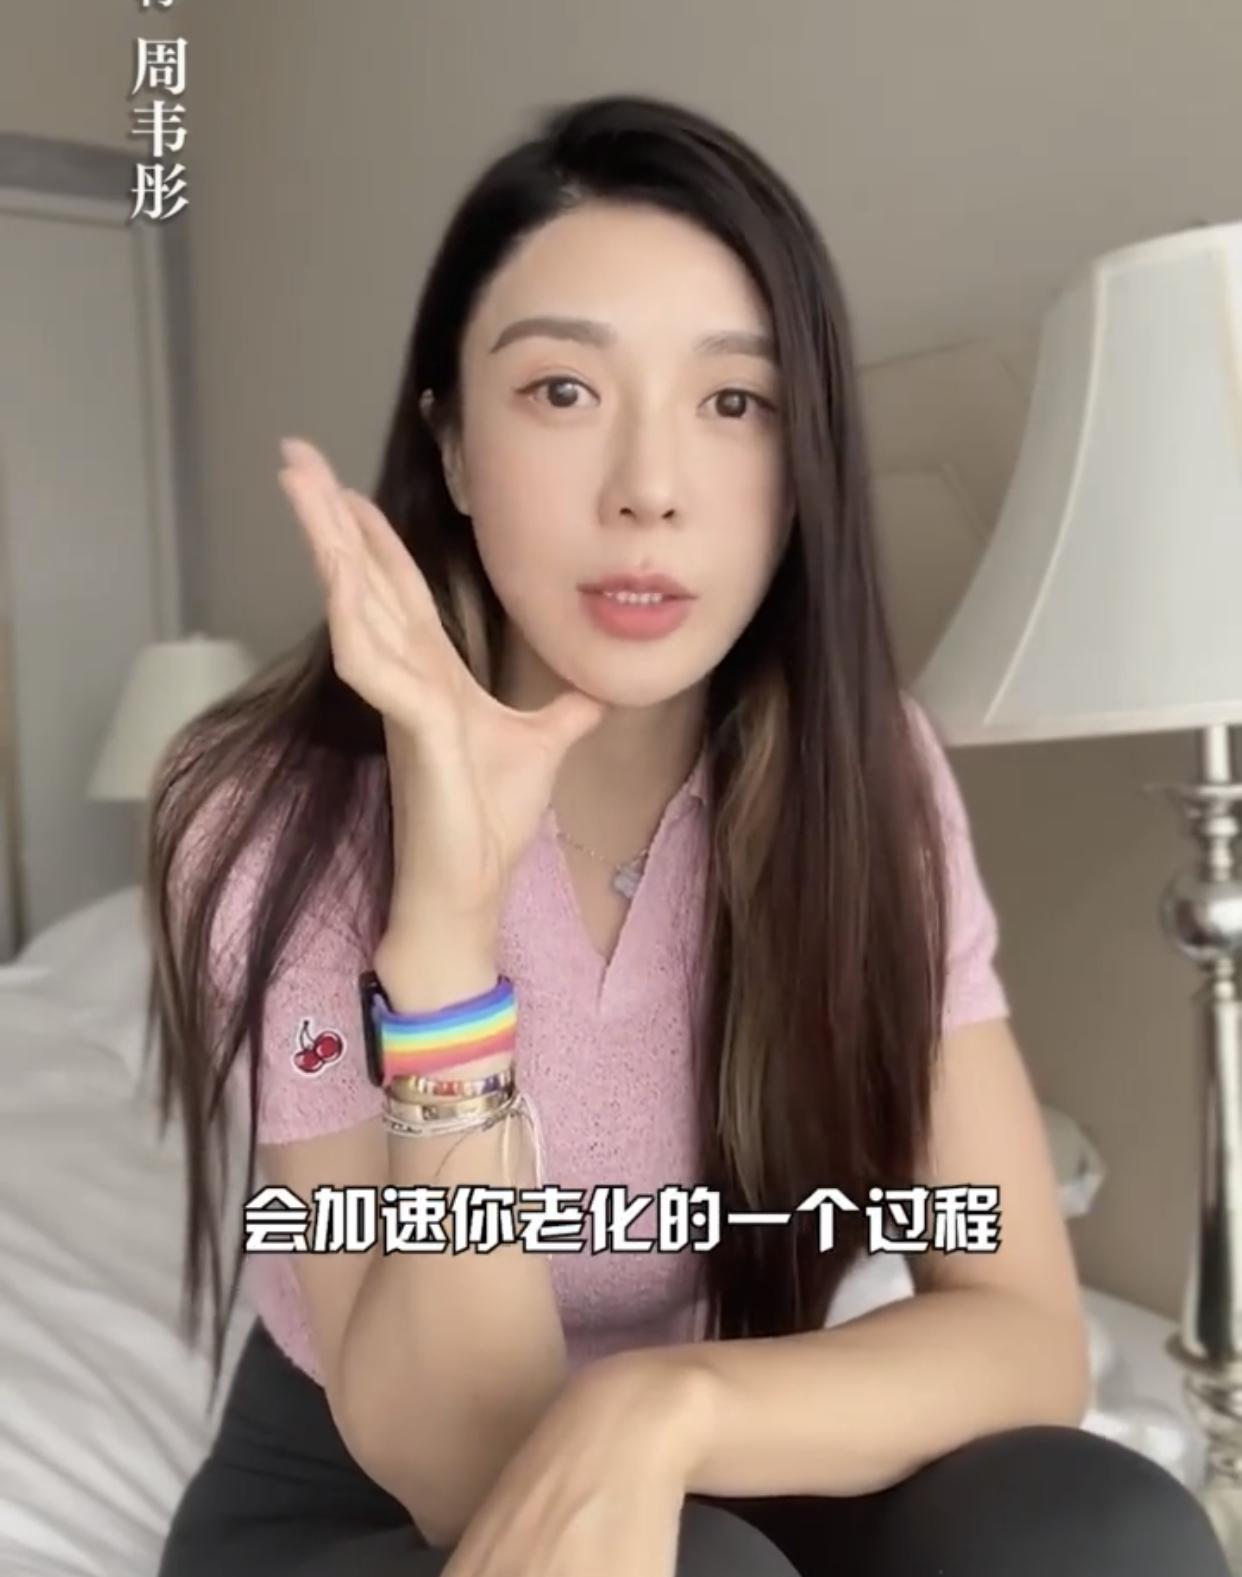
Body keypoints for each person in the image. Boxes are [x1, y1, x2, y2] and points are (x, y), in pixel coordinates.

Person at [149, 92, 1228, 1577]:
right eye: (562, 392)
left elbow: (1022, 1328)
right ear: (451, 447)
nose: (648, 490)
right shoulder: (278, 810)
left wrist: (665, 1405)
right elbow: (463, 1461)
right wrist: (446, 930)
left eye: (734, 403)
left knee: (1096, 1523)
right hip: (366, 1505)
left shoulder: (869, 779)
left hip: (720, 1445)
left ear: (800, 470)